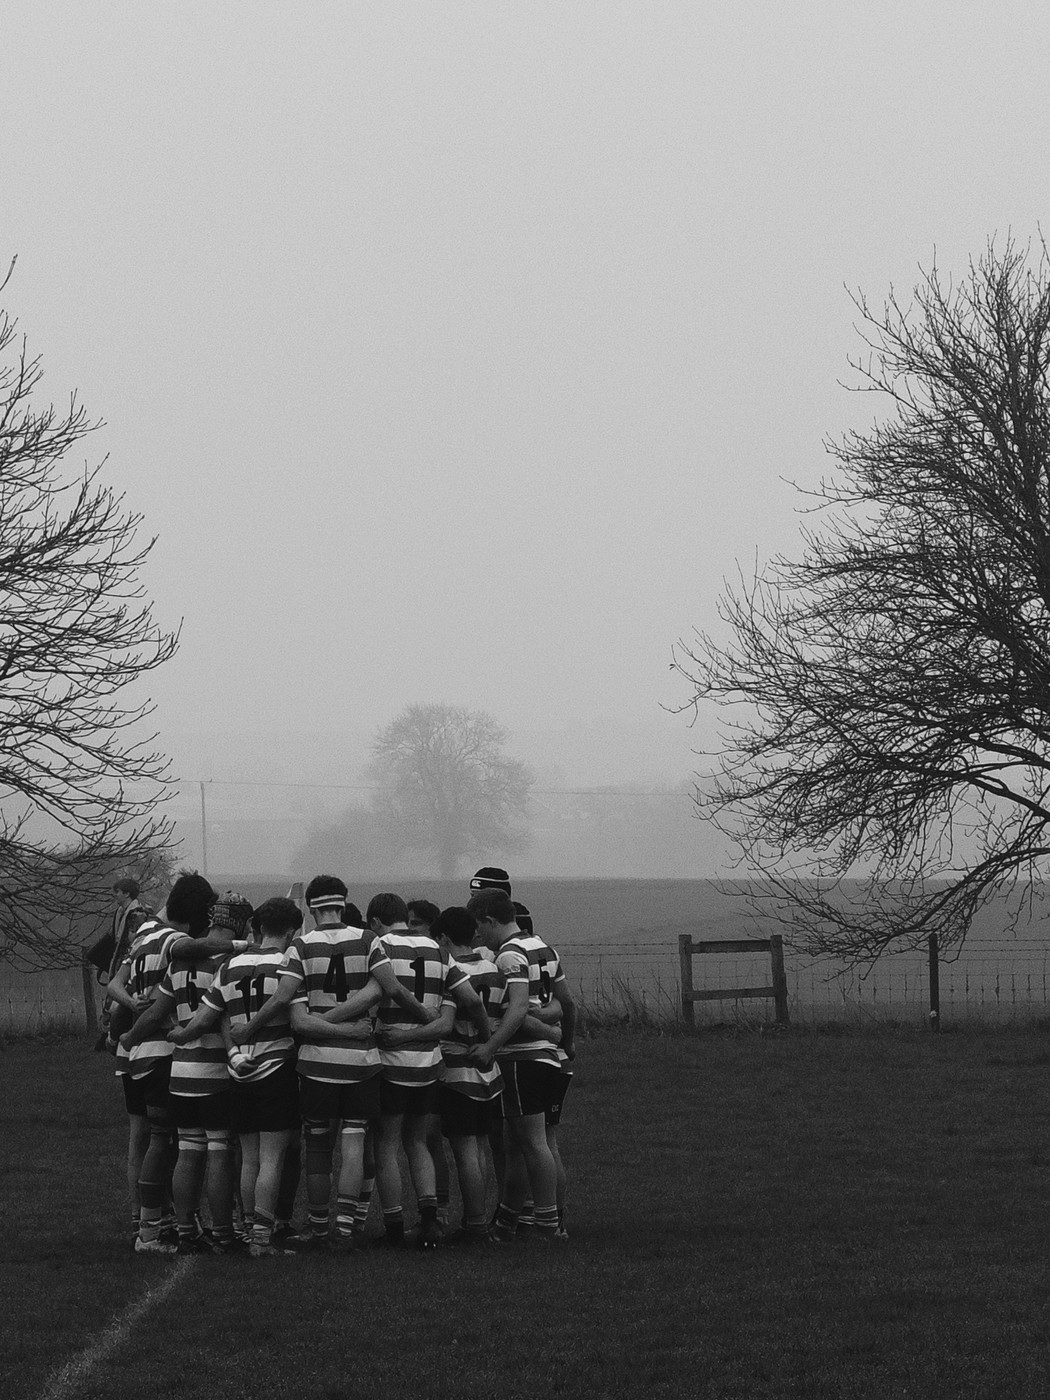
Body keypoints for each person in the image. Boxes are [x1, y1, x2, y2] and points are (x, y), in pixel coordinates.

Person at [231, 875, 431, 1250]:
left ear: (310, 908)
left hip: (317, 1062)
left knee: (319, 1147)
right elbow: (386, 987)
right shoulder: (368, 940)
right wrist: (357, 1026)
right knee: (354, 1144)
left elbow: (290, 1007)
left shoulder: (302, 945)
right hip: (362, 1061)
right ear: (343, 902)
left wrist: (319, 1025)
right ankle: (344, 1229)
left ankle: (320, 1228)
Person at [108, 871, 239, 1253]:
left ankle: (153, 1222)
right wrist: (244, 944)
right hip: (166, 1050)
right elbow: (191, 957)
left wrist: (124, 1028)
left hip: (137, 1055)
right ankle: (157, 1227)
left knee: (154, 1140)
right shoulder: (177, 942)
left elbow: (118, 988)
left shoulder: (146, 934)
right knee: (170, 1142)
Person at [172, 895, 304, 1256]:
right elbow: (297, 1017)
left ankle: (248, 1229)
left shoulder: (230, 966)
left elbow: (212, 1015)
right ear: (291, 931)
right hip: (276, 1065)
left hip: (239, 1071)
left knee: (249, 1156)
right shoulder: (288, 962)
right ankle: (262, 1237)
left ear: (258, 928)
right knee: (273, 1157)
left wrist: (186, 1037)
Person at [368, 892, 487, 1249]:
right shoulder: (439, 950)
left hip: (392, 1060)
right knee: (418, 1141)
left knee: (386, 1144)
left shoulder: (379, 945)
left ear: (376, 921)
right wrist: (488, 1040)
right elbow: (470, 999)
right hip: (429, 1064)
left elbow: (380, 992)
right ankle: (431, 1222)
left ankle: (392, 1228)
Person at [465, 888, 572, 1243]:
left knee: (533, 1144)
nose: (480, 937)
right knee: (518, 1145)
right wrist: (561, 1037)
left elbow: (516, 1007)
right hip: (547, 1058)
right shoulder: (544, 948)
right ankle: (508, 1223)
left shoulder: (509, 956)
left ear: (490, 920)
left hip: (521, 1058)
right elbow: (564, 1002)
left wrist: (491, 1045)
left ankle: (546, 1225)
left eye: (481, 928)